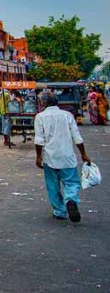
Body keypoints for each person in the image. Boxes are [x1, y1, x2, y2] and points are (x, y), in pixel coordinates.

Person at [35, 90, 91, 222]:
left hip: (50, 156)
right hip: (67, 156)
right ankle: (70, 198)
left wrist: (38, 157)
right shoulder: (67, 115)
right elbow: (77, 137)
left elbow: (39, 140)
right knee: (71, 182)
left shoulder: (40, 117)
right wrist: (83, 154)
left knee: (52, 185)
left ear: (43, 103)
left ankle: (59, 211)